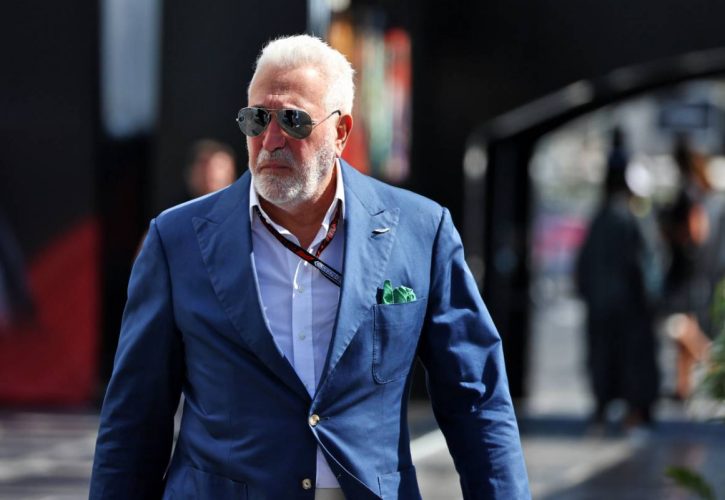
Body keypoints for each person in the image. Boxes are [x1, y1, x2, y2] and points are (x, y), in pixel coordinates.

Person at [90, 35, 530, 499]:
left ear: (341, 132)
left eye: (293, 121)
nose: (270, 139)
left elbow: (477, 398)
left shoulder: (420, 230)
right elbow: (134, 417)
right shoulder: (176, 240)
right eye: (257, 118)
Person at [576, 129, 659, 429]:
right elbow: (644, 264)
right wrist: (651, 298)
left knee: (603, 358)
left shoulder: (601, 219)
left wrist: (588, 292)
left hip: (603, 303)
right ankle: (634, 409)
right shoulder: (631, 218)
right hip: (628, 305)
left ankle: (604, 406)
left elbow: (584, 264)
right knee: (632, 359)